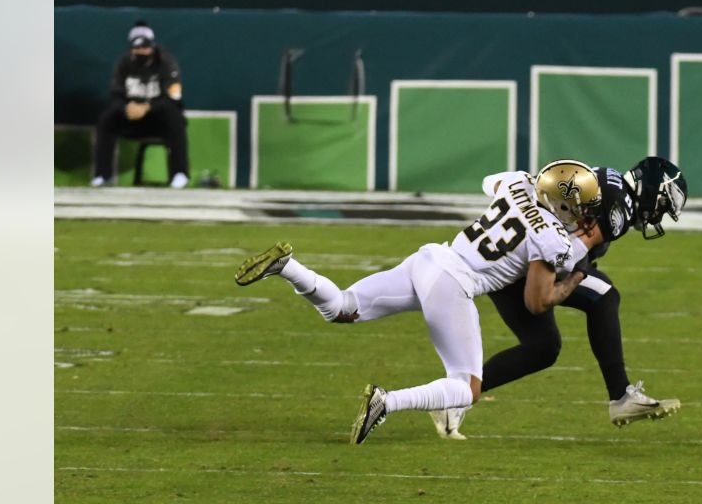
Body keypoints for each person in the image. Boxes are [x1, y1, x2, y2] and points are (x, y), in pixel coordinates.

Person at [234, 160, 609, 444]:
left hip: (430, 259)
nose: (585, 212)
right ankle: (387, 401)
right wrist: (575, 274)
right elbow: (537, 303)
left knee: (343, 307)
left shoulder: (518, 183)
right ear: (562, 203)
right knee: (467, 388)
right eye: (582, 205)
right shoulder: (554, 241)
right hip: (452, 284)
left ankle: (287, 267)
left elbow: (493, 183)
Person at [431, 157, 689, 439]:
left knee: (543, 347)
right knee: (604, 296)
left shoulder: (608, 178)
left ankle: (455, 396)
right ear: (650, 191)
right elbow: (570, 252)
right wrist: (578, 272)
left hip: (507, 263)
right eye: (662, 206)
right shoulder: (620, 207)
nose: (658, 215)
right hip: (526, 268)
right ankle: (621, 397)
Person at [91, 23, 190, 189]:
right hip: (131, 118)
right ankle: (103, 175)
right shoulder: (123, 64)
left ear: (152, 46)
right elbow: (116, 94)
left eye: (145, 47)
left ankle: (180, 174)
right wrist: (127, 107)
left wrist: (147, 107)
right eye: (137, 48)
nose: (141, 51)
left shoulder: (167, 63)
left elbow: (174, 96)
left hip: (159, 120)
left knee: (175, 116)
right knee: (107, 118)